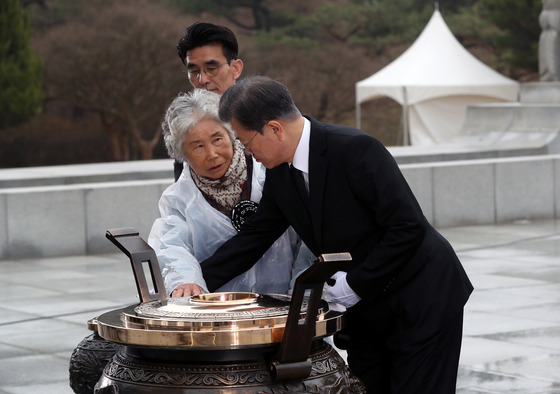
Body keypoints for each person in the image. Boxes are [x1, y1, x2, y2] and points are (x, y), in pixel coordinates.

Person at [200, 76, 474, 393]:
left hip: (422, 296)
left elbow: (407, 227)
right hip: (368, 313)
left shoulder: (356, 149)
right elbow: (255, 236)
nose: (245, 153)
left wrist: (356, 284)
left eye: (246, 143)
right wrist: (193, 283)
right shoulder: (280, 173)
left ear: (275, 129)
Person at [148, 88, 312, 297]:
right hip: (218, 314)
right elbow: (172, 247)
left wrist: (301, 294)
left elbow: (305, 241)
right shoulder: (178, 199)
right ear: (182, 154)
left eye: (217, 139)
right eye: (197, 146)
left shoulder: (270, 173)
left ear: (232, 133)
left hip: (282, 308)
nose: (212, 154)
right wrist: (187, 281)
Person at [172, 22, 244, 181]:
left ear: (236, 69)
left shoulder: (265, 117)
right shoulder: (186, 129)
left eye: (211, 69)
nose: (202, 79)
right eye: (194, 71)